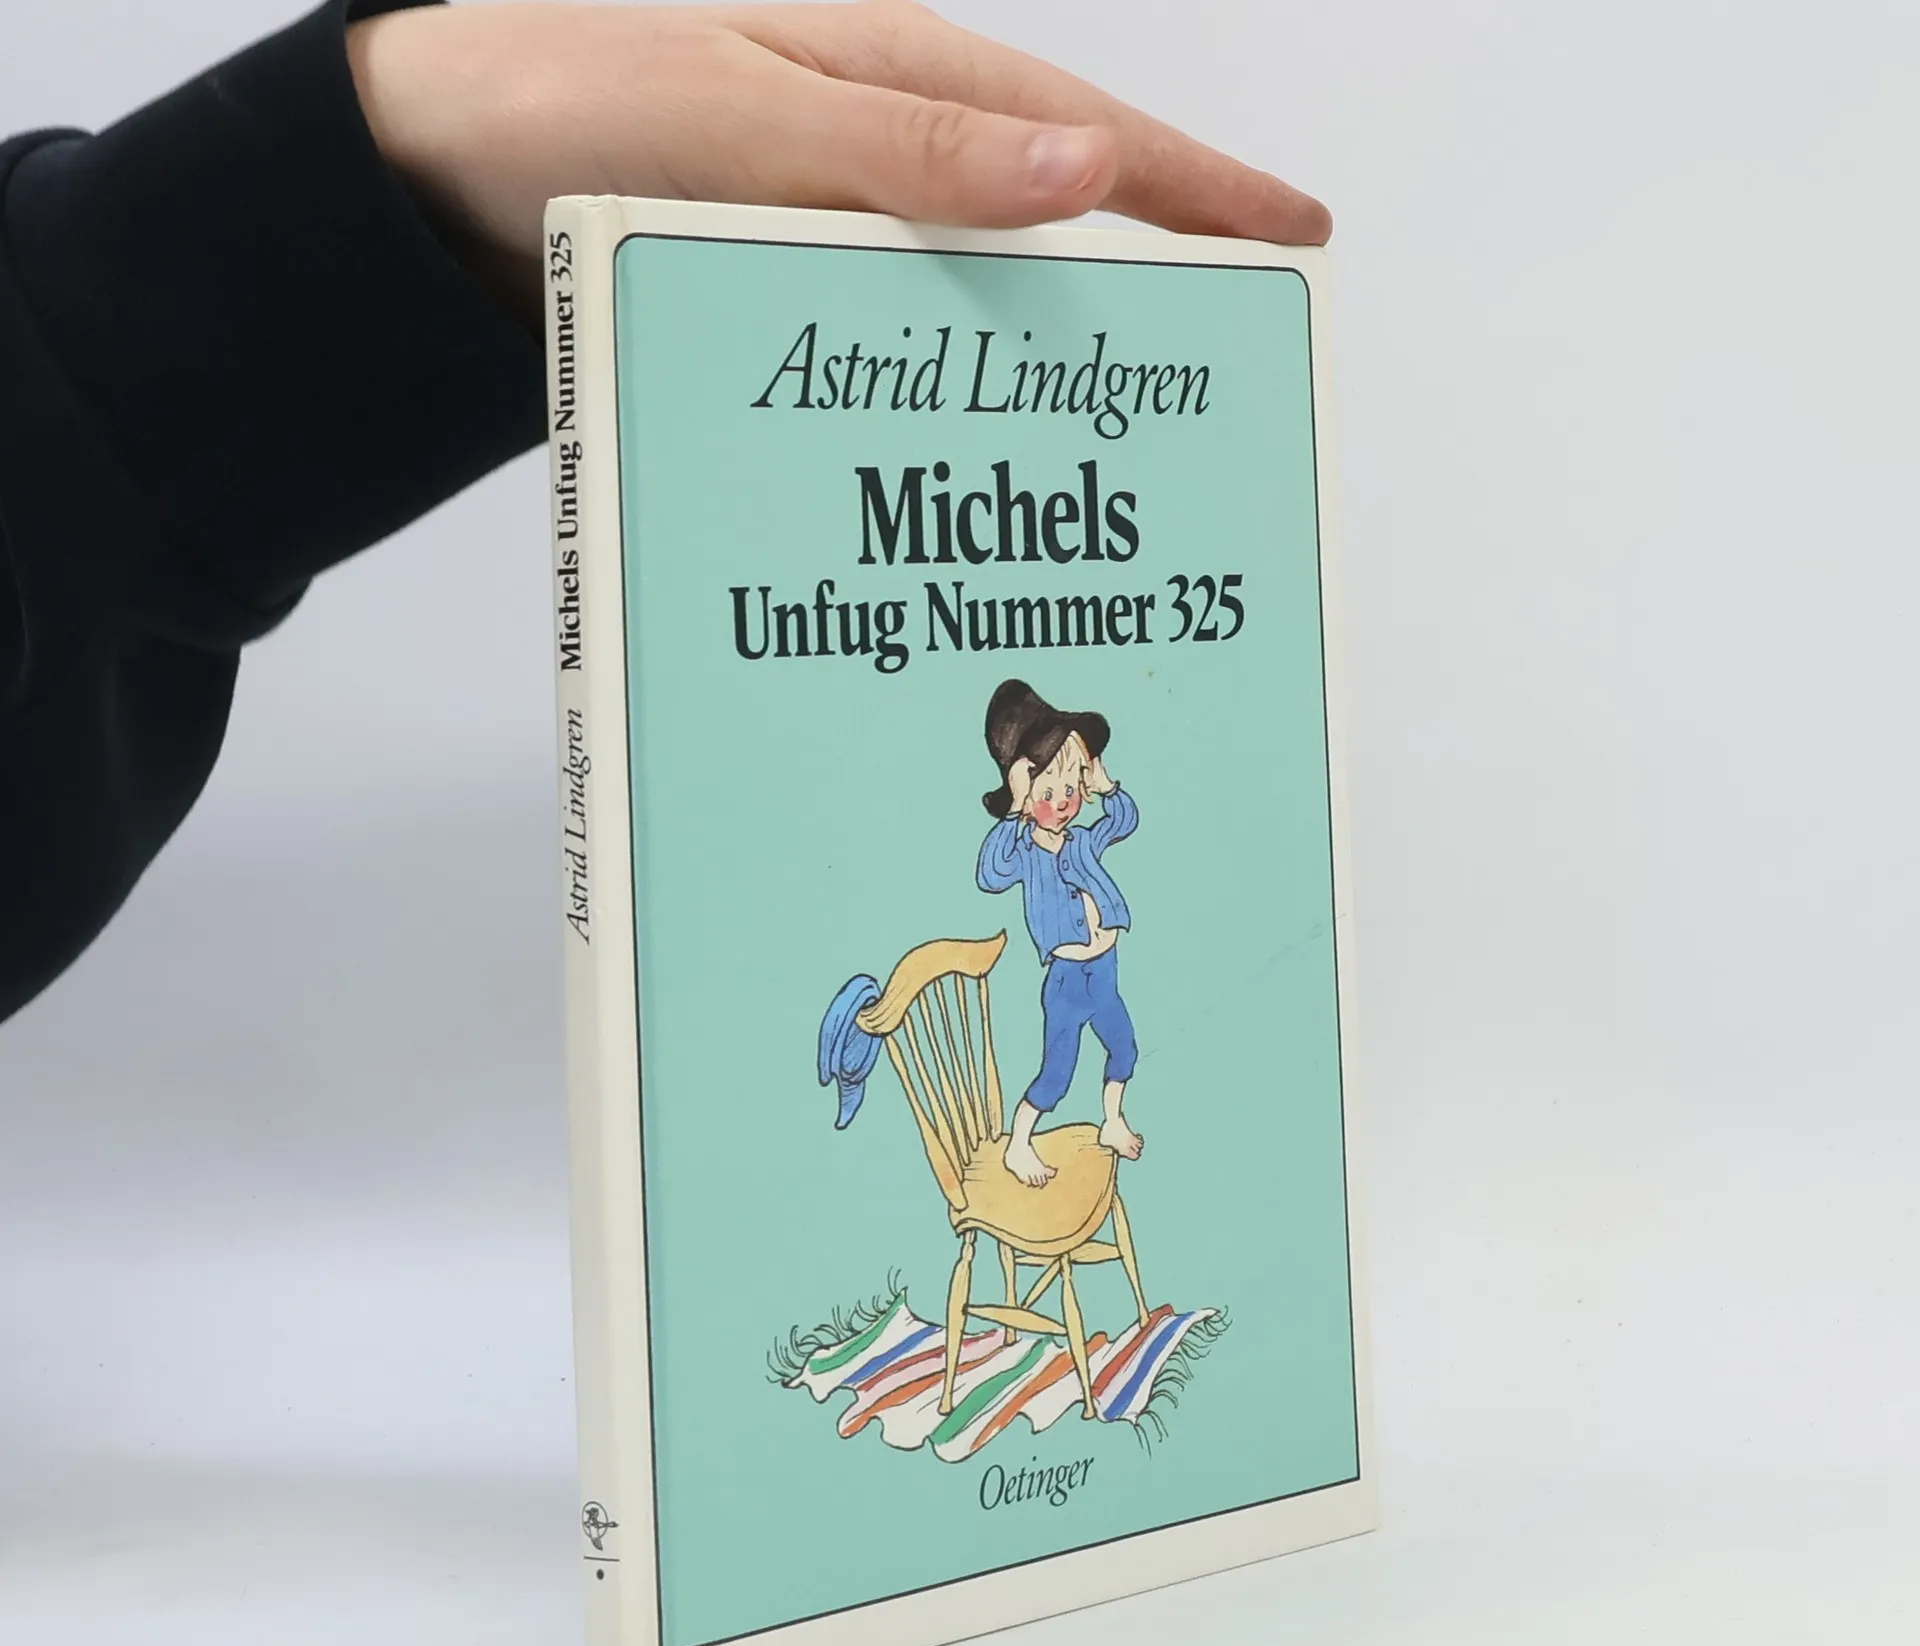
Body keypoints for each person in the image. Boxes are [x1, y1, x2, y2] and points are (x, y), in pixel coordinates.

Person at [0, 0, 1330, 1027]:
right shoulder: (1021, 849)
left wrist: (278, 212)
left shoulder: (1084, 820)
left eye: (1073, 765)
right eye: (1059, 770)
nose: (1074, 782)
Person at [976, 679, 1141, 1187]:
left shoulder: (1084, 841)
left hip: (1104, 970)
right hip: (1068, 981)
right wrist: (1013, 809)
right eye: (1047, 793)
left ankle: (1112, 1120)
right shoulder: (1023, 852)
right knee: (1057, 1074)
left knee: (1125, 1048)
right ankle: (1018, 1144)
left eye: (1070, 789)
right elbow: (989, 874)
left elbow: (1125, 820)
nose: (1064, 801)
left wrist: (1105, 785)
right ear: (1025, 796)